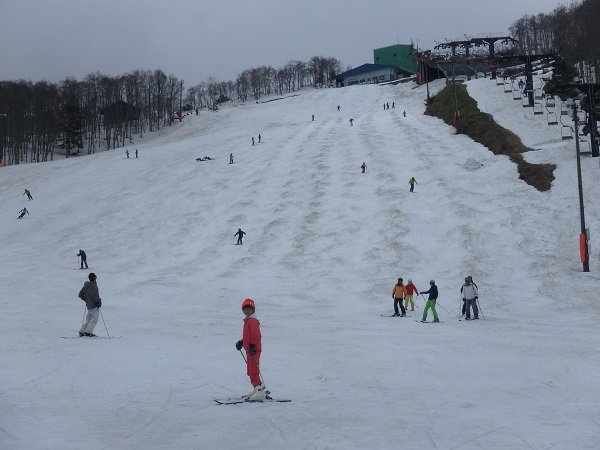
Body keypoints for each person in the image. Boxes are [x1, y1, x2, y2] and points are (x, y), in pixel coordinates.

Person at [235, 298, 266, 401]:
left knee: (253, 371)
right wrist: (241, 342)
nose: (247, 311)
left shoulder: (252, 321)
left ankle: (260, 392)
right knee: (250, 371)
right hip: (249, 350)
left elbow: (256, 335)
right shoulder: (248, 321)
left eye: (249, 309)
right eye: (245, 309)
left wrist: (252, 345)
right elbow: (248, 336)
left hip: (254, 350)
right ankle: (257, 389)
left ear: (253, 310)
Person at [78, 273, 102, 337]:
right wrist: (98, 302)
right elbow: (94, 296)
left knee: (88, 319)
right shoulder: (94, 286)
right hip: (94, 305)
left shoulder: (85, 286)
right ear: (94, 278)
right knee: (94, 319)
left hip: (89, 306)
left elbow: (80, 295)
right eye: (95, 278)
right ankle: (88, 332)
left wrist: (86, 300)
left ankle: (82, 331)